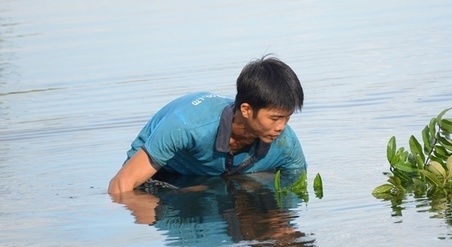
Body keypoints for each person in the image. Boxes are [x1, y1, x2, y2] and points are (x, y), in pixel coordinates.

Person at [108, 56, 306, 195]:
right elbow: (121, 185)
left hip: (217, 178)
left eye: (287, 118)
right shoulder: (187, 125)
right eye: (274, 118)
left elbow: (297, 185)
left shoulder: (286, 144)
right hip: (161, 175)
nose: (281, 127)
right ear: (246, 110)